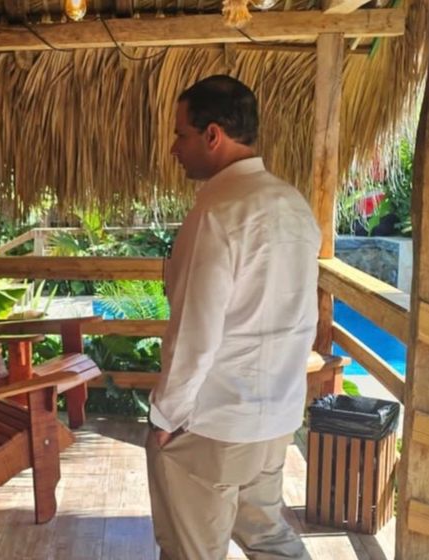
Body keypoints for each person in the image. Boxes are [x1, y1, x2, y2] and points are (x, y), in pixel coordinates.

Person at [145, 75, 319, 559]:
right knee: (268, 537)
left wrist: (166, 416)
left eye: (181, 134)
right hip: (276, 414)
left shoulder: (217, 213)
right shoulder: (294, 205)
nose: (174, 149)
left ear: (213, 135)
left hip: (214, 422)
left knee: (191, 551)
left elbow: (194, 334)